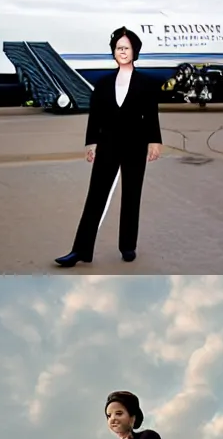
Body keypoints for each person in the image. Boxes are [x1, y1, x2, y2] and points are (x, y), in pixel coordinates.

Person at [55, 28, 163, 266]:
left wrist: (154, 141)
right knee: (95, 196)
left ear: (135, 51)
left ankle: (128, 246)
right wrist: (91, 142)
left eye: (126, 48)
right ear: (113, 52)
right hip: (108, 144)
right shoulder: (103, 83)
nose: (122, 52)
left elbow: (151, 115)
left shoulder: (147, 83)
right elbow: (95, 116)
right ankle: (80, 250)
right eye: (118, 48)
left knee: (132, 195)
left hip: (136, 144)